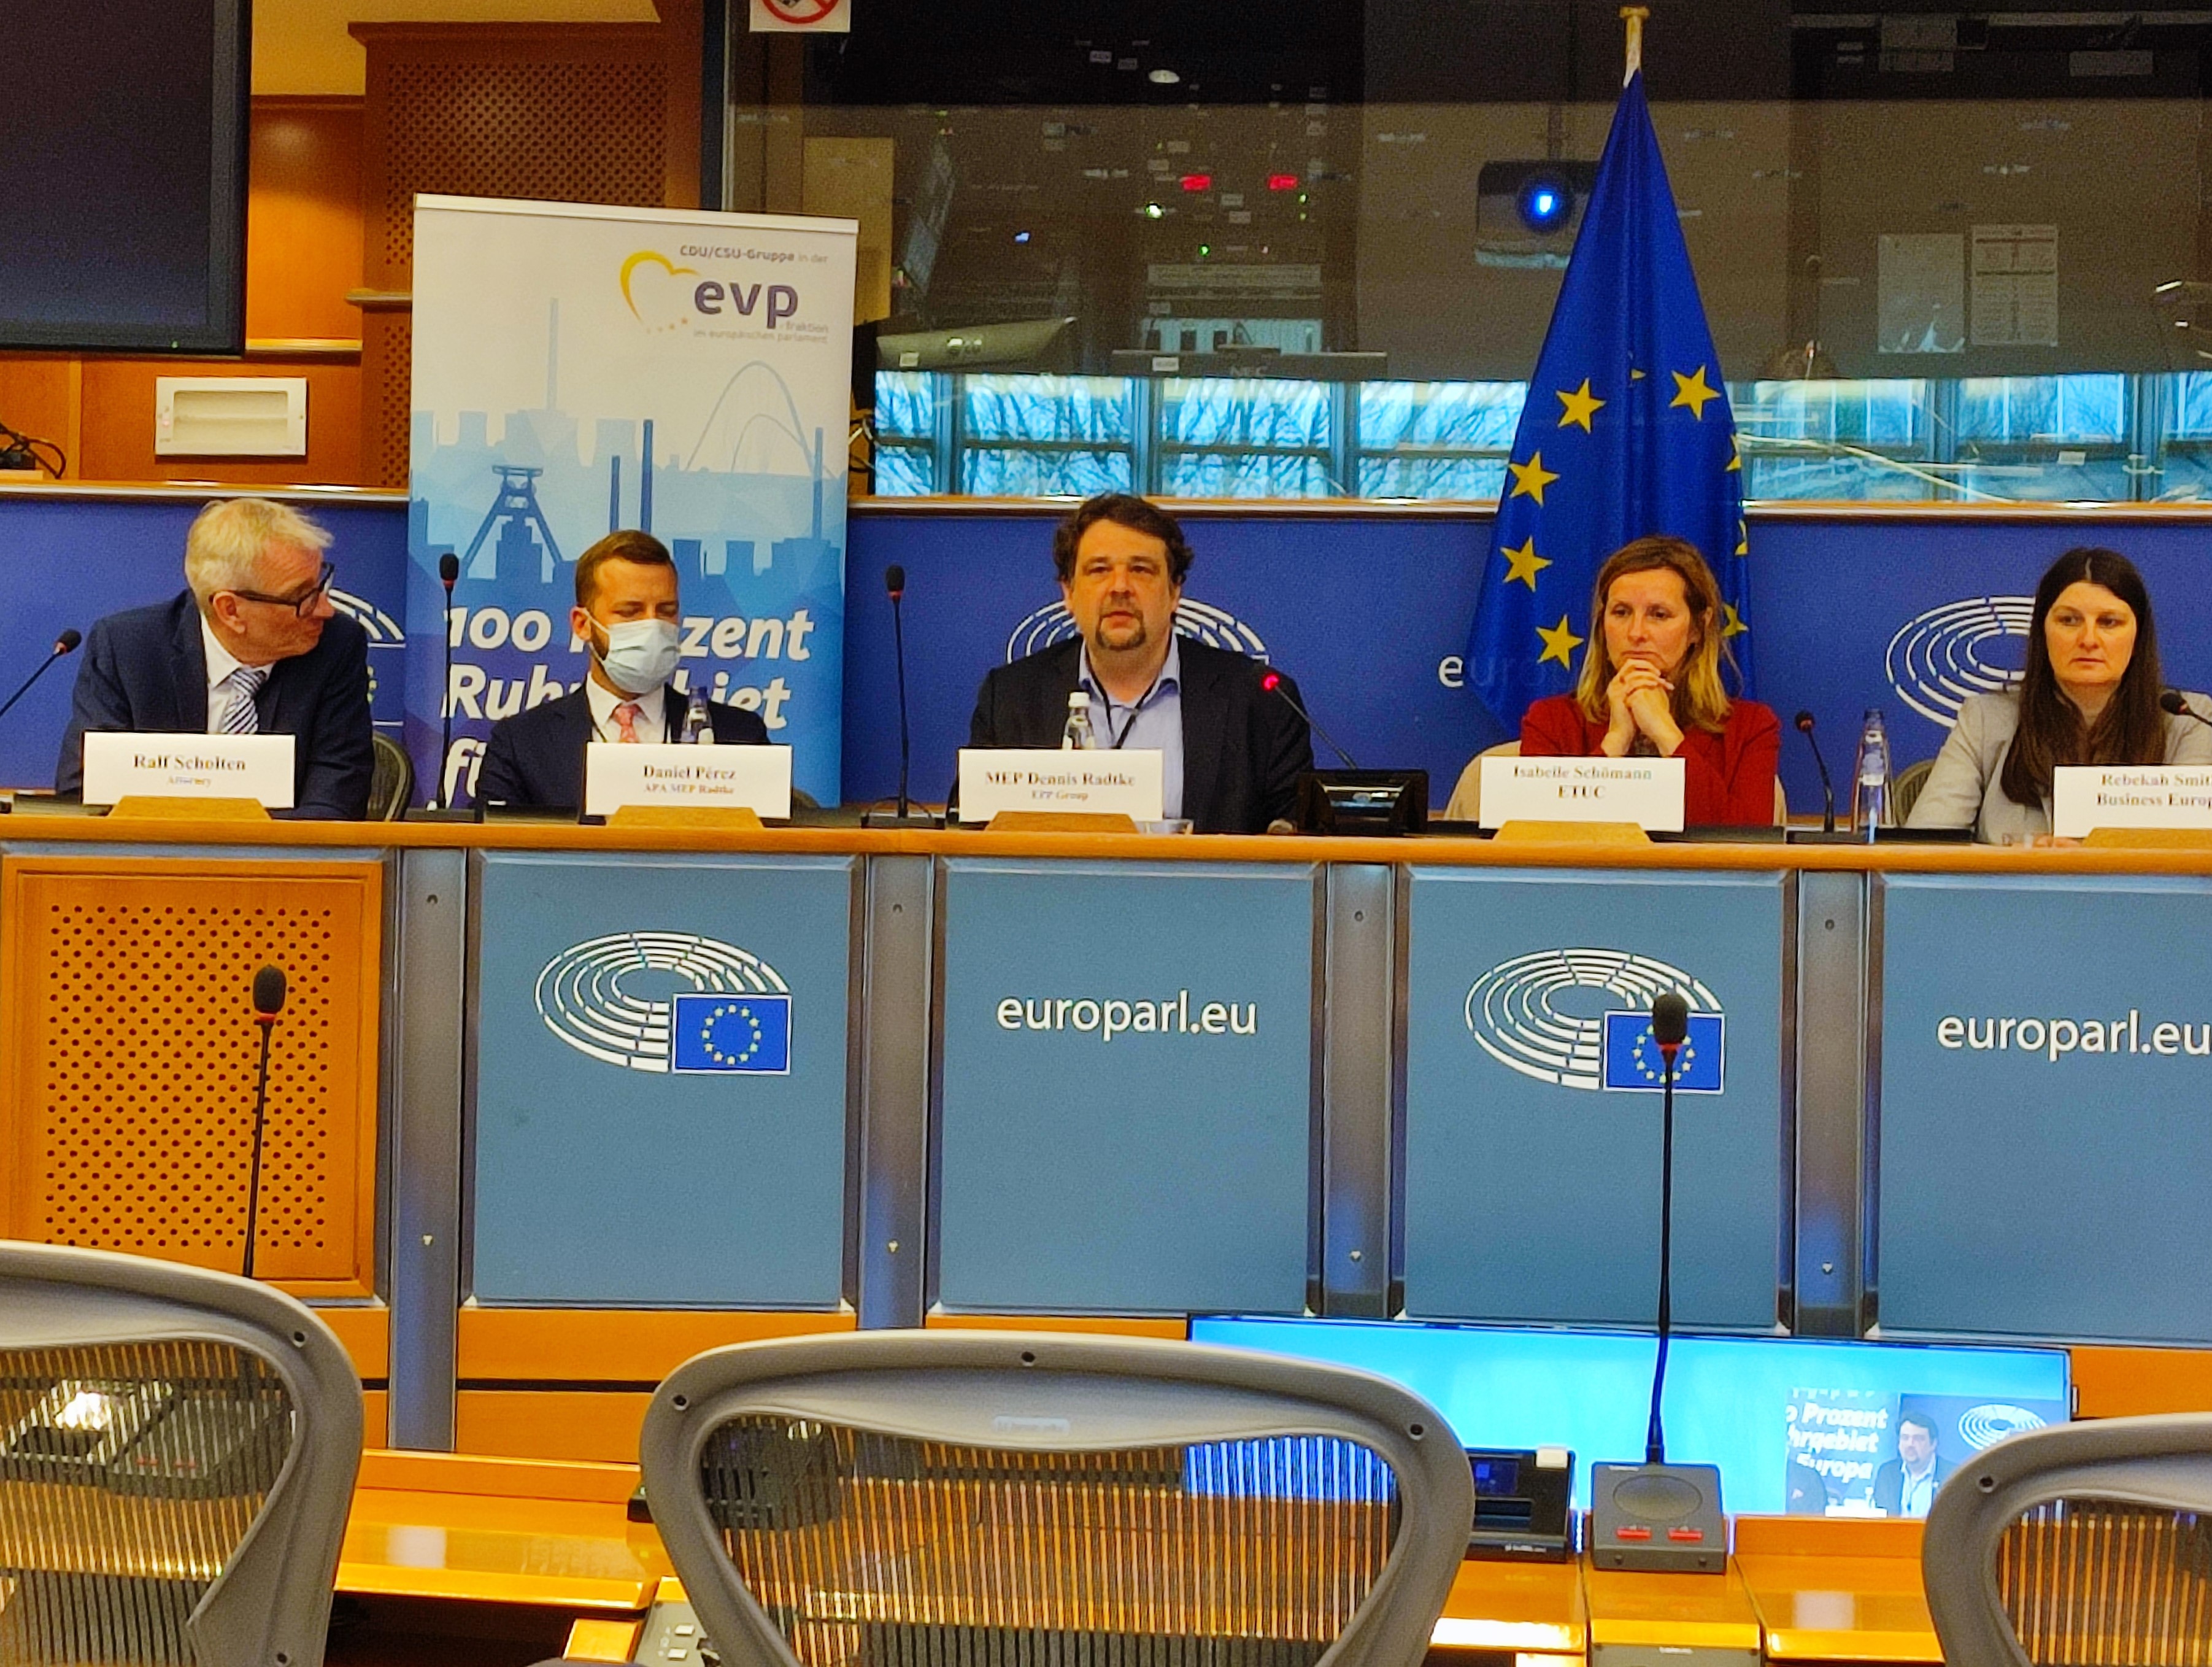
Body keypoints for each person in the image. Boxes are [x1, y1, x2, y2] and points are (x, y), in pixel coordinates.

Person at [965, 493, 1313, 833]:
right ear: (1068, 593)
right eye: (1099, 570)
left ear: (1174, 592)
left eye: (1141, 570)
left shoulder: (1259, 702)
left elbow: (1297, 839)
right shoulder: (1011, 698)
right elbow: (970, 830)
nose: (1120, 587)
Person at [57, 497, 374, 819]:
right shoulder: (127, 649)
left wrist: (237, 841)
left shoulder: (336, 646)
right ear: (230, 610)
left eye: (320, 585)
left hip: (280, 852)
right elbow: (84, 791)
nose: (325, 610)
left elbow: (336, 802)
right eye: (302, 597)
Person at [1906, 547, 2212, 843]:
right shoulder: (1986, 720)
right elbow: (1925, 845)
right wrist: (2025, 859)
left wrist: (2081, 855)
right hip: (2015, 880)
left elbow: (2191, 848)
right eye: (2069, 621)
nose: (2088, 639)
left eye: (2108, 622)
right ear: (2043, 632)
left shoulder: (2188, 720)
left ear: (2138, 637)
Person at [477, 529, 768, 809]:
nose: (652, 627)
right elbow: (493, 840)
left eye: (666, 611)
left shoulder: (739, 736)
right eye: (630, 612)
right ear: (582, 624)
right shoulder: (520, 744)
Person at [1508, 535, 1779, 825]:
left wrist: (1665, 733)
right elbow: (1540, 834)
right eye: (1621, 612)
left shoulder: (1751, 728)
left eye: (1659, 615)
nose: (1636, 633)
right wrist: (1616, 741)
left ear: (1698, 628)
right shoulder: (1550, 721)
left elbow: (1745, 840)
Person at [1872, 1412, 1952, 1518]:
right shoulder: (1887, 1473)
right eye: (1905, 1438)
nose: (1910, 1444)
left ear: (1933, 1444)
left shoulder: (1951, 1475)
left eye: (1918, 1438)